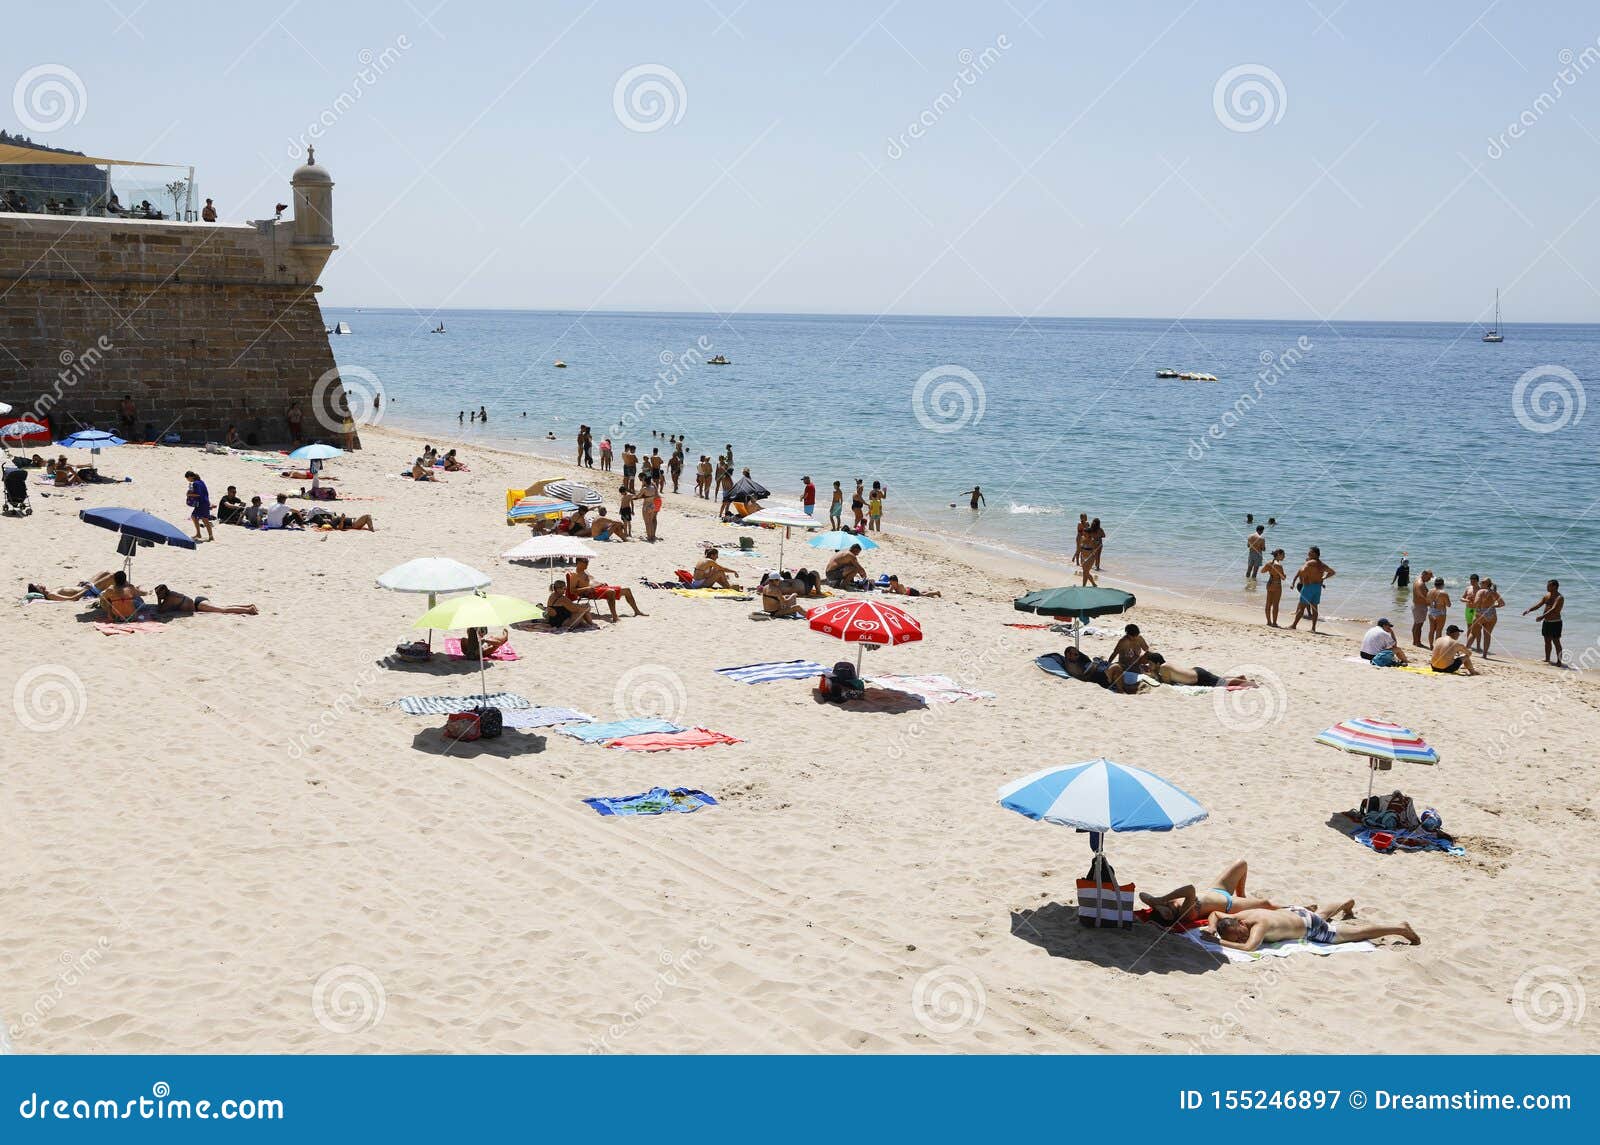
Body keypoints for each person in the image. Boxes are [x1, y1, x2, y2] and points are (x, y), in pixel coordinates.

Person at [1204, 903, 1418, 951]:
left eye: (1239, 935)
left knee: (1357, 934)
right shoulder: (1240, 917)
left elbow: (1249, 948)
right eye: (1237, 939)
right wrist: (1212, 928)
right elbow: (1214, 914)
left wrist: (1217, 941)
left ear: (1240, 924)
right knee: (1320, 914)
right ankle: (1345, 902)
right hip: (1297, 911)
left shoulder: (1260, 924)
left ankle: (1399, 928)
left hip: (1311, 927)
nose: (1241, 939)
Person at [1140, 861, 1277, 928]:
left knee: (1241, 863)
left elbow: (1142, 895)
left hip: (1215, 890)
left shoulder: (1168, 904)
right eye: (1163, 910)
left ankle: (1242, 895)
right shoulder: (1184, 912)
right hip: (1229, 904)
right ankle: (1288, 910)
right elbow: (1190, 889)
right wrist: (1161, 900)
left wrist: (1154, 902)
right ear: (1167, 915)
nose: (1163, 905)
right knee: (1267, 904)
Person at [565, 557, 646, 621]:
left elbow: (592, 581)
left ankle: (637, 611)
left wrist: (600, 583)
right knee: (611, 592)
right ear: (578, 563)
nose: (587, 563)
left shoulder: (585, 572)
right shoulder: (574, 575)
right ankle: (615, 617)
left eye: (587, 561)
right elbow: (572, 591)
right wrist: (588, 588)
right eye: (585, 562)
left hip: (598, 588)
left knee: (627, 590)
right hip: (590, 592)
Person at [1141, 653, 1256, 688]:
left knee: (1222, 684)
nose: (1149, 666)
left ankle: (1250, 684)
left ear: (1157, 663)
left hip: (1198, 677)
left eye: (1150, 664)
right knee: (1220, 680)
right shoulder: (1165, 666)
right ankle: (1240, 678)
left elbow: (1166, 683)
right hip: (1196, 673)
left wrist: (1152, 675)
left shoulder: (1163, 668)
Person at [1288, 546, 1334, 632]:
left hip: (1308, 586)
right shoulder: (1322, 564)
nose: (1308, 553)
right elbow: (1332, 572)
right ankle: (1313, 628)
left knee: (1302, 607)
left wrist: (1303, 579)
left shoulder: (1310, 562)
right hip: (1317, 587)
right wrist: (1323, 578)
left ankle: (1294, 625)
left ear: (1315, 554)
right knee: (1315, 608)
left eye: (1310, 552)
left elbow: (1302, 570)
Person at [1523, 580, 1565, 665]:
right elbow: (1539, 605)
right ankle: (1547, 659)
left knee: (1556, 642)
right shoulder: (1547, 595)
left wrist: (1542, 616)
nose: (1547, 587)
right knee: (1547, 641)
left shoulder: (1559, 597)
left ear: (1555, 587)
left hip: (1555, 622)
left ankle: (1559, 661)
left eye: (1549, 586)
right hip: (1547, 622)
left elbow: (1553, 609)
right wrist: (1529, 610)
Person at [151, 584, 258, 616]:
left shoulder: (169, 598)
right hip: (199, 601)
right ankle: (248, 606)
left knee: (223, 610)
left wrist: (158, 599)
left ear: (163, 593)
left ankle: (249, 610)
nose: (157, 595)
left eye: (158, 593)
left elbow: (160, 610)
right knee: (224, 606)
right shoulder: (171, 595)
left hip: (198, 605)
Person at [1467, 578, 1503, 657]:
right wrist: (1492, 606)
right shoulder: (1494, 593)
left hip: (1481, 613)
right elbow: (1502, 604)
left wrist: (1470, 602)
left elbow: (1476, 603)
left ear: (1487, 584)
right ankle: (1484, 655)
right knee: (1487, 635)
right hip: (1492, 614)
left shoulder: (1481, 591)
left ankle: (1465, 650)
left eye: (1482, 582)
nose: (1480, 583)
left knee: (1473, 633)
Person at [184, 470, 215, 542]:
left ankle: (210, 536)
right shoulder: (201, 482)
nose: (188, 480)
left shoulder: (195, 483)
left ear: (191, 477)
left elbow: (198, 494)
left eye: (187, 478)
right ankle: (199, 534)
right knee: (194, 517)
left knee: (204, 520)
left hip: (202, 503)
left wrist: (189, 494)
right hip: (204, 502)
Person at [1410, 568, 1434, 648]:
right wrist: (1431, 604)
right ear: (1424, 574)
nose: (1430, 579)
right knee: (1419, 625)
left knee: (1416, 624)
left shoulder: (1418, 581)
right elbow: (1424, 597)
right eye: (1429, 577)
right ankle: (1418, 642)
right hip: (1419, 607)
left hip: (1418, 606)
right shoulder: (1420, 584)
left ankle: (1415, 641)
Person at [1262, 548, 1286, 627]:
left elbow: (1262, 571)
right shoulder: (1279, 565)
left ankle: (1269, 622)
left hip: (1269, 583)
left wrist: (1271, 571)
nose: (1284, 557)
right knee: (1276, 605)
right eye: (1283, 555)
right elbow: (1283, 578)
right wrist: (1284, 575)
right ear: (1278, 555)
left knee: (1268, 603)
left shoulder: (1269, 563)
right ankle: (1274, 623)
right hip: (1277, 585)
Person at [1424, 576, 1451, 644]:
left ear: (1434, 584)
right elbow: (1449, 605)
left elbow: (1427, 602)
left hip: (1431, 612)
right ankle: (1437, 647)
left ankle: (1431, 645)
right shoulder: (1443, 593)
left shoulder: (1429, 591)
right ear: (1442, 584)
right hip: (1440, 613)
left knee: (1431, 630)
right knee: (1439, 631)